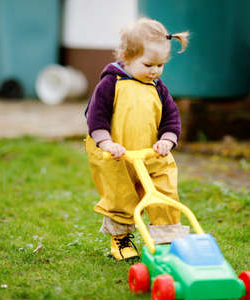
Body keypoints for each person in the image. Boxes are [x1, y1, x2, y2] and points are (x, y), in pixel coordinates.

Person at [84, 18, 189, 261]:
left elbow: (171, 118)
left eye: (160, 65)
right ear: (127, 57)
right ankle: (121, 240)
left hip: (153, 156)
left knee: (165, 196)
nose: (155, 71)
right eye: (149, 64)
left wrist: (167, 139)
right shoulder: (111, 83)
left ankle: (168, 241)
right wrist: (106, 143)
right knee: (121, 198)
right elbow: (96, 118)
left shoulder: (158, 88)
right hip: (118, 157)